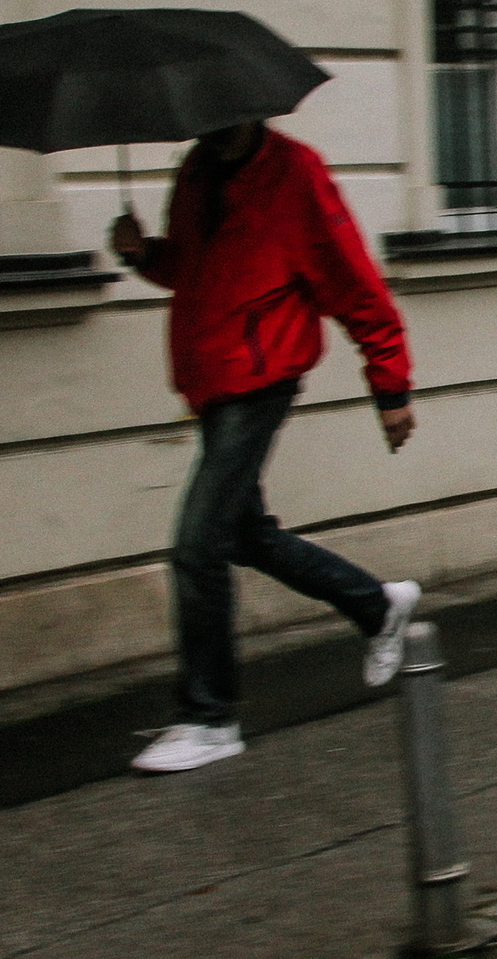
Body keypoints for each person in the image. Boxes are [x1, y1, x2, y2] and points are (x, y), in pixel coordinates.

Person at [110, 120, 421, 774]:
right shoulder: (197, 169)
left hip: (262, 376)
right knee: (243, 535)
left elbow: (352, 279)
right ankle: (376, 604)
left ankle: (209, 719)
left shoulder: (295, 172)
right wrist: (143, 255)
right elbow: (193, 271)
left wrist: (390, 384)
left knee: (197, 547)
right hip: (210, 380)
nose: (211, 124)